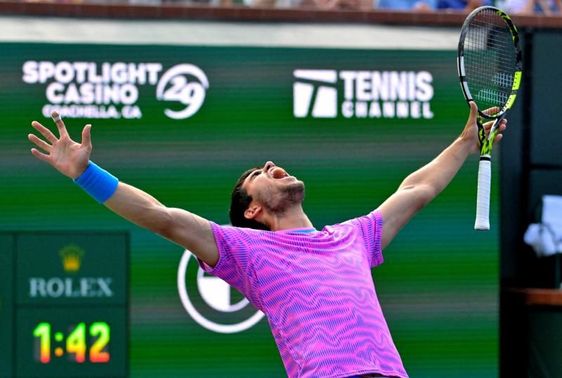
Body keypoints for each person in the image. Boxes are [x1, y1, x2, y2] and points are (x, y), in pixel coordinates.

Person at [28, 102, 506, 378]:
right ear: (252, 210)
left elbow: (416, 189)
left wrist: (466, 140)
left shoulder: (353, 237)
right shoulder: (246, 250)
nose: (273, 165)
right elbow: (162, 217)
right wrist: (84, 173)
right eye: (259, 174)